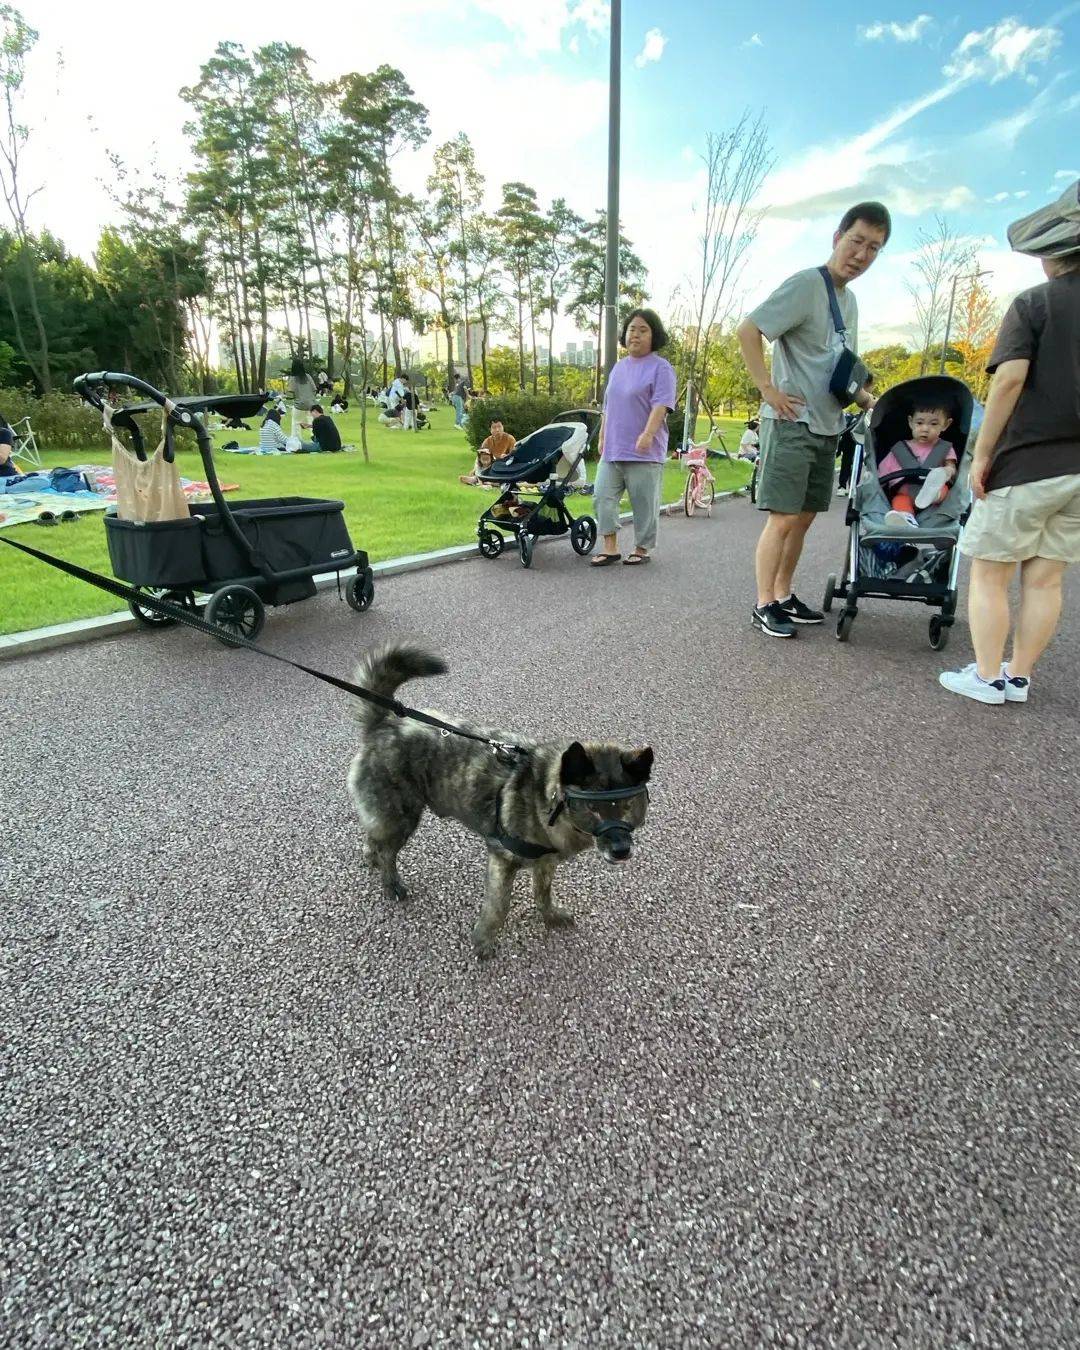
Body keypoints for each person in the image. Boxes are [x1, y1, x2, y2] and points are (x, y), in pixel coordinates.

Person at [939, 179, 1080, 706]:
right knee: (1046, 580)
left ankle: (986, 676)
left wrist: (982, 452)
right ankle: (1018, 677)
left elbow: (1009, 380)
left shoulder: (1035, 304)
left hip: (1028, 461)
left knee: (991, 573)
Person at [737, 201, 889, 637]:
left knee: (803, 518)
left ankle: (783, 594)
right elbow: (749, 330)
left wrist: (864, 397)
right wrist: (768, 389)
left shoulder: (850, 300)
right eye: (857, 241)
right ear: (837, 237)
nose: (861, 254)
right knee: (783, 517)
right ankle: (764, 602)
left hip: (827, 425)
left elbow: (834, 366)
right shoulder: (807, 284)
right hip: (792, 423)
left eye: (873, 248)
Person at [590, 308, 677, 568]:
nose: (635, 335)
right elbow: (608, 406)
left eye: (643, 330)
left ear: (654, 336)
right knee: (602, 497)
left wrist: (648, 434)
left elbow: (661, 404)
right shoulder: (619, 367)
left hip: (644, 451)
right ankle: (610, 547)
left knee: (644, 504)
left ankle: (641, 548)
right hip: (614, 449)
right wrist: (602, 437)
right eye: (631, 329)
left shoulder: (661, 368)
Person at [880, 400, 958, 527]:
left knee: (943, 488)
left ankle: (933, 493)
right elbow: (882, 473)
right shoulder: (899, 449)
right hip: (905, 492)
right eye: (920, 423)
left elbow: (951, 467)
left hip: (936, 501)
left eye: (933, 424)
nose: (925, 429)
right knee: (899, 500)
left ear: (945, 425)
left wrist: (947, 471)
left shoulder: (945, 448)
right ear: (911, 422)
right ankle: (906, 518)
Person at [460, 418, 515, 485]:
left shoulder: (510, 439)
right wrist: (475, 469)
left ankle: (480, 480)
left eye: (499, 427)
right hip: (490, 466)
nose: (497, 430)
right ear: (490, 430)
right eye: (494, 427)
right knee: (482, 461)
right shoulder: (487, 441)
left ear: (503, 427)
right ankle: (478, 477)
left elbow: (514, 456)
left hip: (504, 466)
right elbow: (480, 457)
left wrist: (507, 457)